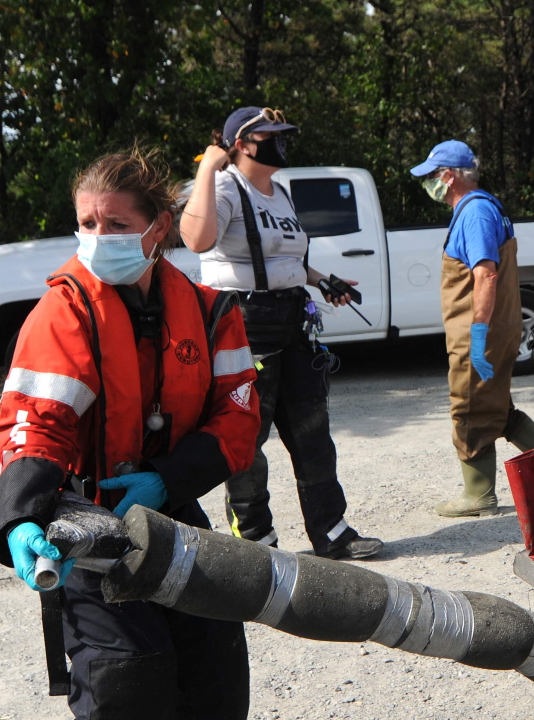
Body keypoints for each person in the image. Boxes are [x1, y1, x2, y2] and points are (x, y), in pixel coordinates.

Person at [0, 147, 260, 718]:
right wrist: (20, 517)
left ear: (158, 226)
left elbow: (239, 421)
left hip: (175, 514)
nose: (98, 237)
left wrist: (167, 480)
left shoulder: (212, 311)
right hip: (87, 523)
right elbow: (36, 421)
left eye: (116, 224)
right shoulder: (63, 312)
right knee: (128, 675)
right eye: (88, 223)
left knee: (214, 664)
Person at [180, 106, 382, 559]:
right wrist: (210, 169)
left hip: (291, 321)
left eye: (283, 133)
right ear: (242, 143)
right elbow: (196, 240)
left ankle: (332, 533)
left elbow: (283, 260)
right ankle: (255, 541)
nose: (282, 141)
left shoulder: (280, 193)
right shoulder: (226, 185)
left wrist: (321, 279)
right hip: (243, 326)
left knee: (313, 432)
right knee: (246, 436)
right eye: (271, 134)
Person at [410, 140, 534, 517]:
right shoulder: (485, 206)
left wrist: (479, 334)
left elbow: (486, 275)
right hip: (497, 327)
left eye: (432, 176)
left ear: (449, 177)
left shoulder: (474, 213)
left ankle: (479, 494)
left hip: (480, 332)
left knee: (470, 407)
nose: (429, 184)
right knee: (498, 408)